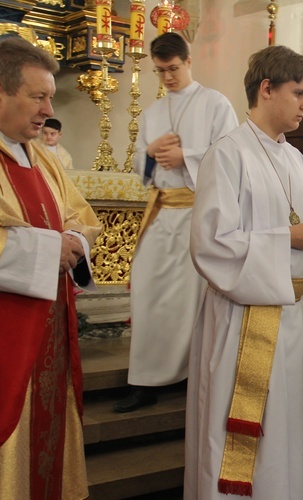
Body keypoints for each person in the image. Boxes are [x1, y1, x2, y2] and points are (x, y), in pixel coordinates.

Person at [185, 45, 303, 499]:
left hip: (292, 320)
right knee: (245, 443)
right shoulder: (228, 154)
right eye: (299, 93)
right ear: (266, 89)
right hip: (242, 324)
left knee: (292, 432)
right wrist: (290, 238)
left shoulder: (295, 159)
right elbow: (211, 244)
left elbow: (301, 217)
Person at [0, 36, 101, 498]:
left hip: (49, 333)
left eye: (49, 97)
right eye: (38, 97)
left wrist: (74, 240)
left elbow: (78, 215)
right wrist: (44, 252)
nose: (47, 110)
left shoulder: (37, 154)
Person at [114, 32, 238, 413]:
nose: (167, 77)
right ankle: (144, 380)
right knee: (147, 293)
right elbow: (139, 163)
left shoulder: (215, 103)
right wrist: (150, 154)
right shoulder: (152, 113)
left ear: (188, 62)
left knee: (190, 302)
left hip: (197, 216)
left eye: (172, 68)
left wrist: (187, 156)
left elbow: (232, 154)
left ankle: (187, 378)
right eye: (160, 71)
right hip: (162, 213)